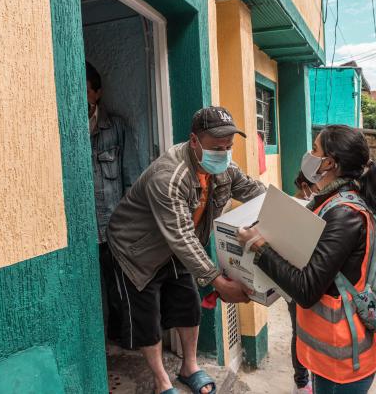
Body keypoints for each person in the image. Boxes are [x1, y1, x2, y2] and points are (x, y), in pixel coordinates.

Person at [237, 125, 376, 394]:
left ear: (329, 162)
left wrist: (258, 247)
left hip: (341, 361)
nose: (309, 154)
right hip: (330, 353)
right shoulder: (337, 200)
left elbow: (307, 289)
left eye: (315, 149)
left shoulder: (344, 213)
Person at [107, 106, 265, 394]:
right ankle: (161, 381)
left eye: (229, 147)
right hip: (137, 250)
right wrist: (217, 280)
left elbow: (255, 192)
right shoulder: (168, 176)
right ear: (194, 141)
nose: (225, 154)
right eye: (217, 147)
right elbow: (180, 235)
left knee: (188, 304)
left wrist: (295, 213)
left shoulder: (223, 168)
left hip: (176, 245)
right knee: (148, 318)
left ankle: (189, 367)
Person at [86, 61, 136, 341]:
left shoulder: (116, 128)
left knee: (120, 289)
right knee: (87, 292)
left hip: (112, 227)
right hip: (80, 230)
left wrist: (130, 228)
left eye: (85, 92)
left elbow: (131, 179)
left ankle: (126, 340)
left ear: (97, 93)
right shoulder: (66, 129)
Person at [285, 171, 323, 394]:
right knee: (299, 331)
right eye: (316, 185)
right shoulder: (289, 208)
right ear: (303, 185)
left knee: (317, 332)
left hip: (316, 279)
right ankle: (301, 381)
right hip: (294, 280)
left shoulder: (322, 205)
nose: (319, 189)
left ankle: (316, 378)